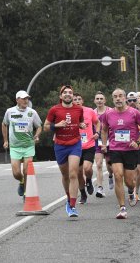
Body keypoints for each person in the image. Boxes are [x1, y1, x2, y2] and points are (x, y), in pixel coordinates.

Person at [100, 88, 140, 219]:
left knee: (129, 181)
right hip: (115, 149)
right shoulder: (108, 114)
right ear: (112, 99)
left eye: (120, 96)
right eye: (115, 96)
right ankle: (122, 208)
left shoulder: (134, 113)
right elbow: (104, 130)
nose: (118, 98)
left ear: (125, 97)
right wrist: (104, 144)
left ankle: (131, 192)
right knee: (117, 175)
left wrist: (137, 142)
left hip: (130, 150)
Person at [44, 85, 86, 217]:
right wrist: (56, 125)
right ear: (61, 96)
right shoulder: (54, 110)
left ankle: (72, 206)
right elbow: (45, 127)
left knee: (73, 173)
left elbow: (80, 122)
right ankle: (68, 198)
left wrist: (81, 125)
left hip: (75, 143)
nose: (68, 94)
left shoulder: (79, 109)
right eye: (65, 92)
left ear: (73, 96)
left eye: (70, 92)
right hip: (60, 145)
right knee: (65, 175)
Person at [2, 90, 42, 200]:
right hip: (15, 146)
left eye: (27, 98)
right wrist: (5, 140)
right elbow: (4, 124)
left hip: (28, 145)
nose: (26, 100)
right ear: (17, 100)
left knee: (26, 170)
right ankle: (21, 181)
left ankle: (26, 192)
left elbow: (39, 126)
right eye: (23, 98)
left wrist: (37, 135)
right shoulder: (9, 112)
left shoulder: (32, 112)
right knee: (16, 173)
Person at [73, 93, 100, 204]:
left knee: (87, 168)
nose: (77, 101)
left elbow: (97, 122)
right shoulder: (69, 113)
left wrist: (97, 132)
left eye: (79, 99)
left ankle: (88, 180)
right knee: (79, 173)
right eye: (75, 99)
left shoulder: (89, 111)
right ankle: (83, 194)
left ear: (82, 101)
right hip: (75, 146)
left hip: (89, 145)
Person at [93, 91, 113, 197]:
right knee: (99, 164)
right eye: (97, 99)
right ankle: (100, 188)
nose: (99, 100)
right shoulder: (92, 112)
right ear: (94, 101)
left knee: (110, 164)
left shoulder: (110, 111)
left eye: (101, 99)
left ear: (105, 100)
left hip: (110, 140)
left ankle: (110, 175)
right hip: (98, 141)